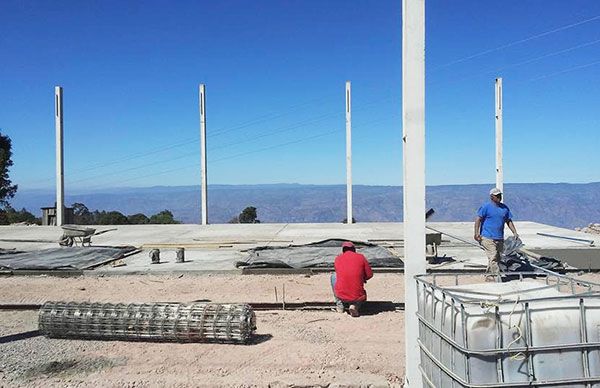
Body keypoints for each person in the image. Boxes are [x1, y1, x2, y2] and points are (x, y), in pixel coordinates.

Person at [474, 188, 519, 275]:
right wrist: (476, 233)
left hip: (499, 237)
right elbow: (478, 219)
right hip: (487, 237)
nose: (499, 197)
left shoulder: (504, 208)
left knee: (496, 258)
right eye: (497, 196)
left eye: (500, 195)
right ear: (492, 197)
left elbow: (508, 220)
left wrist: (514, 232)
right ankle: (496, 277)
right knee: (493, 256)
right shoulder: (485, 207)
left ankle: (489, 275)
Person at [331, 241, 373, 317]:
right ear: (354, 249)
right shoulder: (361, 257)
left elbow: (341, 275)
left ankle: (340, 306)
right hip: (358, 295)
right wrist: (362, 278)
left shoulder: (338, 258)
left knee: (334, 276)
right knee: (358, 296)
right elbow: (370, 274)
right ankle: (354, 306)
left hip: (341, 295)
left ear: (343, 250)